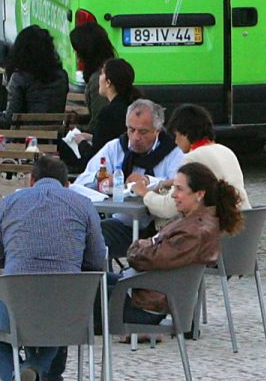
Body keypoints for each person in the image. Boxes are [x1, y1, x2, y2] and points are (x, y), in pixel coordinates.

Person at [0, 153, 108, 381]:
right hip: (68, 313)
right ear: (67, 184)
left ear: (30, 180)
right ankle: (33, 374)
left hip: (13, 310)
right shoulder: (83, 205)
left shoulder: (10, 202)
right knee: (59, 315)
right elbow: (97, 260)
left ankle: (18, 378)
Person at [115, 163, 240, 324]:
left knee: (84, 294)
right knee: (92, 285)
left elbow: (150, 259)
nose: (173, 195)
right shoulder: (188, 219)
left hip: (147, 304)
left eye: (179, 189)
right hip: (144, 291)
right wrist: (145, 245)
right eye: (174, 188)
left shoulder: (194, 231)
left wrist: (137, 247)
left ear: (199, 194)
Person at [70, 98, 184, 253]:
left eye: (143, 132)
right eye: (131, 130)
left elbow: (180, 190)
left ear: (157, 131)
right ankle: (101, 276)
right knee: (84, 233)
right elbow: (81, 181)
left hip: (161, 229)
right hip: (124, 224)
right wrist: (100, 177)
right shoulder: (115, 148)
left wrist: (149, 181)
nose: (136, 137)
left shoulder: (173, 152)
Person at [142, 104, 249, 224]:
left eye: (176, 135)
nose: (175, 142)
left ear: (185, 133)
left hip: (215, 231)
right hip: (243, 225)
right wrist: (173, 182)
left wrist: (144, 193)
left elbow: (168, 208)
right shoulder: (225, 150)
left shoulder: (192, 158)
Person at [0, 25, 69, 125]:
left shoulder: (19, 78)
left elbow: (8, 121)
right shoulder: (61, 76)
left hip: (24, 136)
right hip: (54, 136)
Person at [85, 56, 139, 155]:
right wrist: (92, 138)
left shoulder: (108, 114)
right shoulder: (133, 106)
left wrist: (81, 143)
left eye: (101, 73)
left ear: (108, 82)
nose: (99, 77)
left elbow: (96, 154)